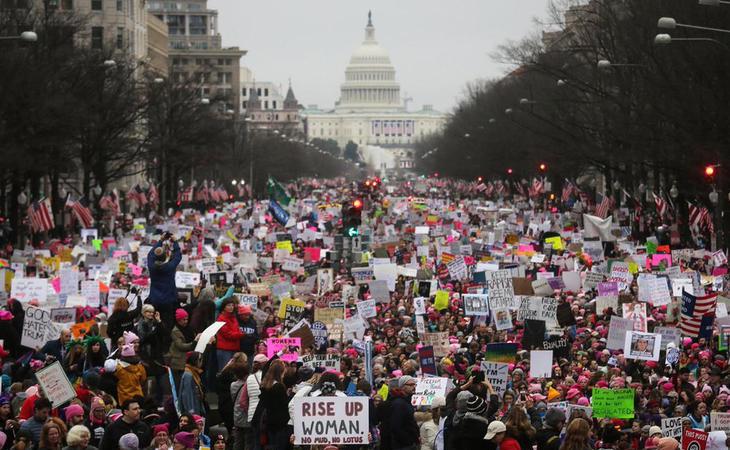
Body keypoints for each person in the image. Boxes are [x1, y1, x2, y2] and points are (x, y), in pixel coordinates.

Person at [147, 232, 182, 331]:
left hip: (155, 300)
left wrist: (161, 240)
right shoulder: (170, 267)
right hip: (168, 301)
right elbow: (178, 256)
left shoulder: (152, 266)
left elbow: (150, 255)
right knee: (168, 326)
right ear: (164, 257)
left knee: (155, 325)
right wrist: (175, 242)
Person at [253, 359, 290, 450]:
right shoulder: (279, 387)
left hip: (269, 421)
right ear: (280, 372)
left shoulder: (265, 385)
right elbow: (284, 405)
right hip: (280, 423)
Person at [135, 304, 167, 403]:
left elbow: (164, 334)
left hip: (156, 356)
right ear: (143, 313)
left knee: (160, 382)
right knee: (146, 382)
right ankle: (146, 402)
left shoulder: (155, 324)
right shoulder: (139, 325)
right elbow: (143, 339)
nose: (151, 314)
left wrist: (159, 321)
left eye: (152, 312)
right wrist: (154, 331)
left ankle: (159, 401)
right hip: (146, 357)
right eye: (148, 312)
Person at [166, 309, 198, 388]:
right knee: (179, 385)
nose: (186, 321)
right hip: (178, 362)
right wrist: (194, 343)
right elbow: (181, 346)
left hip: (188, 360)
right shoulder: (175, 331)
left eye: (187, 319)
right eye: (183, 319)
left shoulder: (189, 329)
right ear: (178, 320)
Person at [389, 375, 419, 450]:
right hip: (403, 446)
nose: (414, 387)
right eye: (410, 385)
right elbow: (396, 427)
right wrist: (408, 441)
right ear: (402, 387)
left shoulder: (406, 401)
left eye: (414, 384)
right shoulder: (399, 403)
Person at [215, 298, 244, 370]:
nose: (231, 307)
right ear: (224, 307)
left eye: (232, 305)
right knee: (225, 371)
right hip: (224, 350)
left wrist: (240, 333)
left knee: (232, 372)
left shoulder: (233, 317)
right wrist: (241, 335)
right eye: (228, 305)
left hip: (234, 348)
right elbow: (228, 334)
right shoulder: (221, 319)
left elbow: (237, 330)